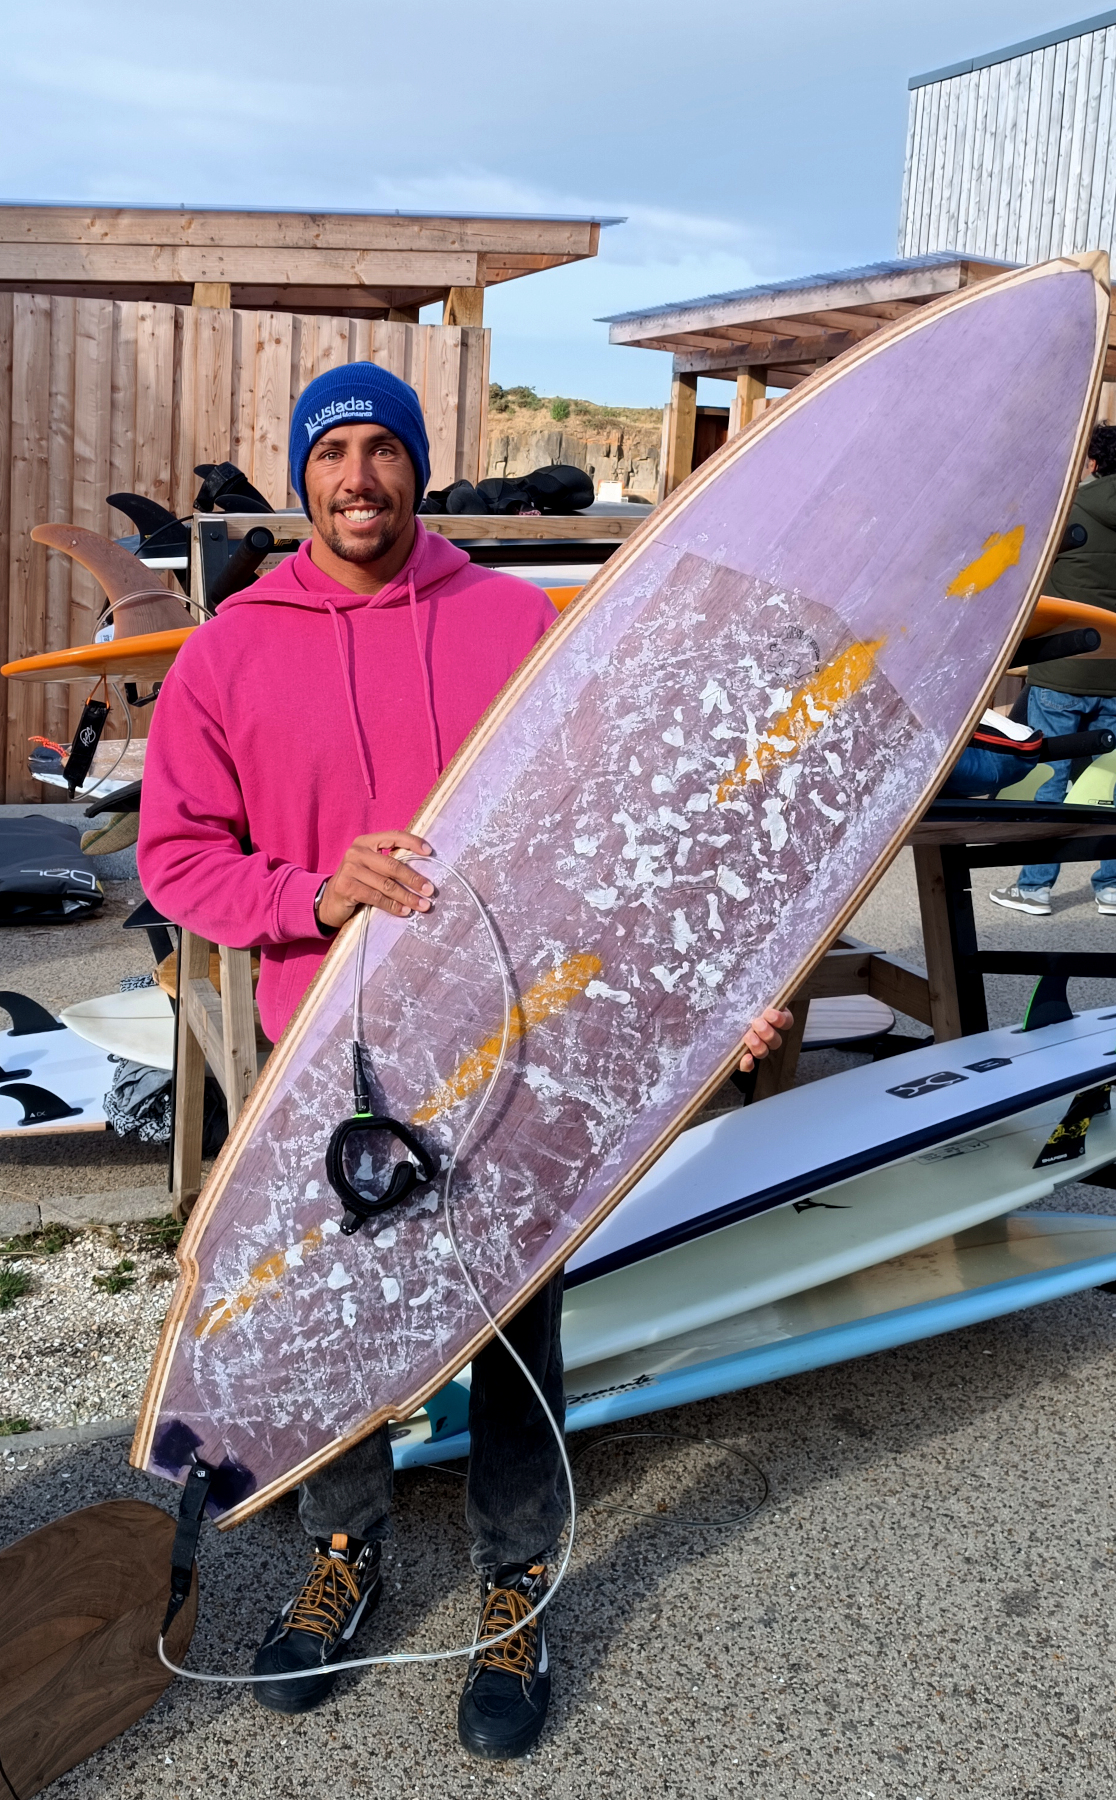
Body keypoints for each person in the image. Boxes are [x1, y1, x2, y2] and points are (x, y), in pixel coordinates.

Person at [138, 363, 792, 1759]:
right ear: (302, 478)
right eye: (333, 454)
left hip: (516, 1040)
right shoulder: (230, 651)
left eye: (384, 450)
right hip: (335, 1055)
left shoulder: (513, 623)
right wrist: (314, 893)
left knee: (513, 1320)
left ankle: (514, 1584)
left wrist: (702, 995)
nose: (358, 478)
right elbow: (177, 858)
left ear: (418, 467)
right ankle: (345, 1553)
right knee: (339, 1314)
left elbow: (615, 832)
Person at [990, 422, 1116, 919]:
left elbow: (1030, 586)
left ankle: (1035, 888)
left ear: (1092, 462)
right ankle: (1111, 888)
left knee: (1050, 776)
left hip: (1061, 670)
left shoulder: (1066, 513)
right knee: (1111, 779)